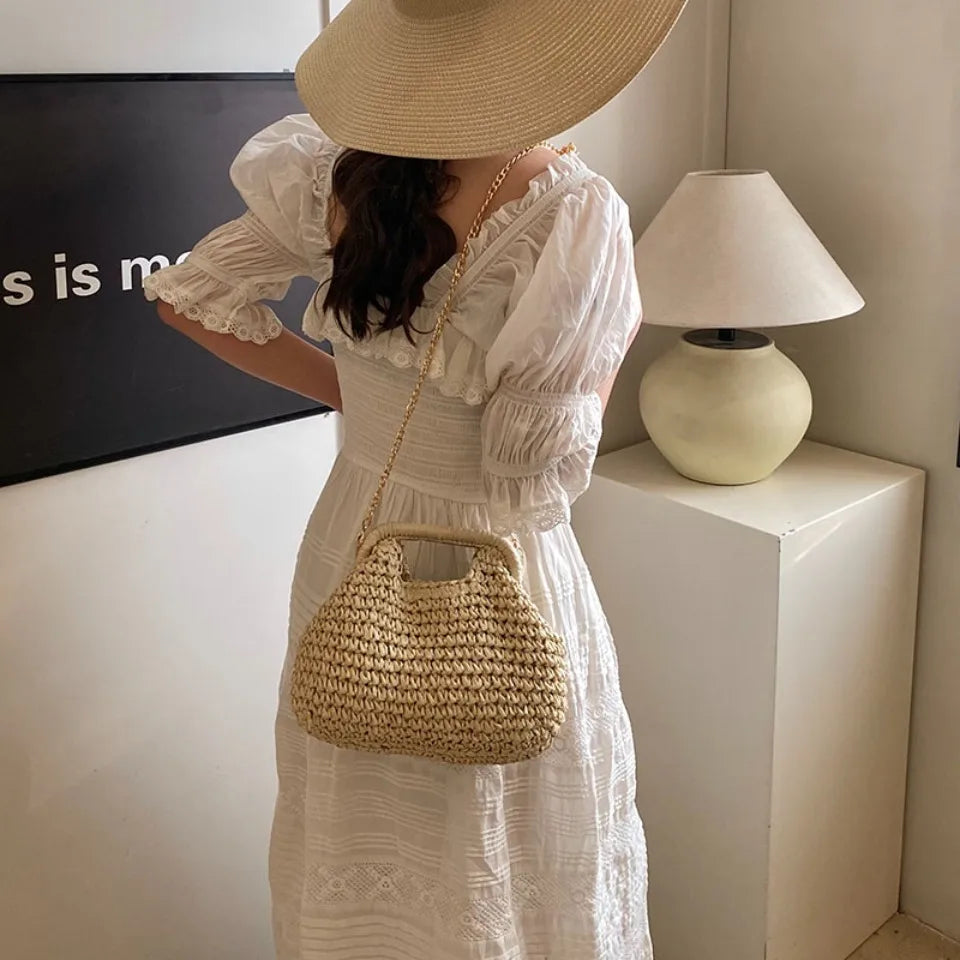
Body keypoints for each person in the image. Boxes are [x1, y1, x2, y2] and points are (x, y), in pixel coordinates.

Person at [143, 1, 687, 957]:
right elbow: (536, 473)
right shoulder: (572, 209)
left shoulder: (338, 174)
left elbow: (191, 300)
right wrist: (608, 347)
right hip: (497, 555)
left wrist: (356, 400)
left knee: (358, 775)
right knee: (503, 809)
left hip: (357, 532)